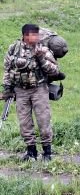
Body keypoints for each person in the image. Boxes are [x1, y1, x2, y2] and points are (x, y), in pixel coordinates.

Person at [2, 24, 66, 161]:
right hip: (20, 90)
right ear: (25, 35)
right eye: (33, 35)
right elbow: (7, 69)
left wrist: (41, 59)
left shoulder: (43, 50)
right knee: (24, 122)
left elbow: (55, 71)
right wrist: (7, 89)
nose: (37, 37)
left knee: (43, 121)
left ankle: (47, 152)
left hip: (39, 89)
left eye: (37, 35)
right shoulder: (14, 49)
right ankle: (31, 152)